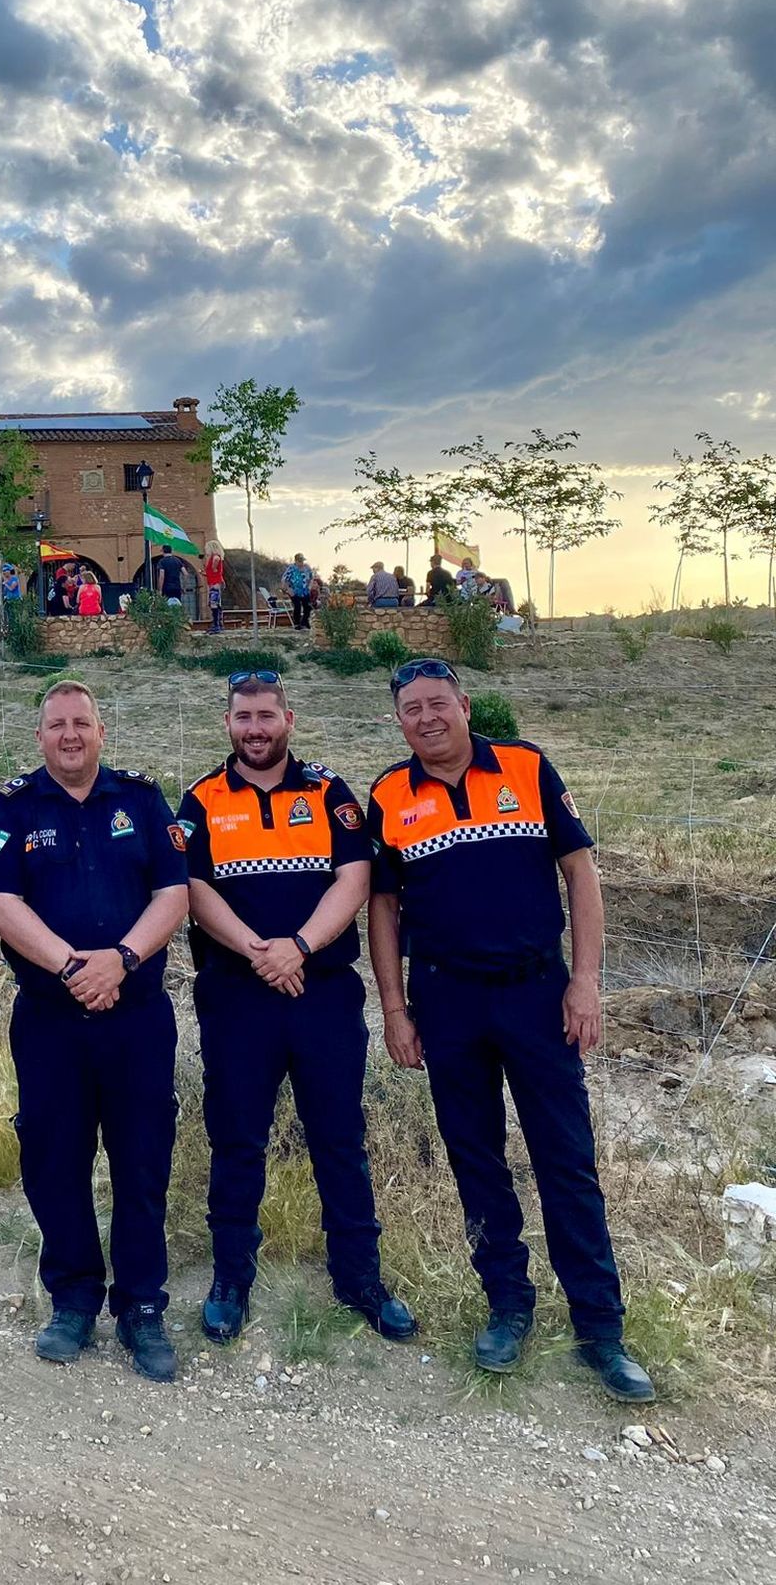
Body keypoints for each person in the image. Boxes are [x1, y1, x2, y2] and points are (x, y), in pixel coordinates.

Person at [366, 660, 655, 1403]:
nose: (426, 718)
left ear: (464, 704)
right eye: (410, 709)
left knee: (566, 1159)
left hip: (536, 994)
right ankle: (507, 1307)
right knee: (477, 1161)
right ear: (398, 721)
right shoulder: (390, 795)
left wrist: (586, 979)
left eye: (437, 703)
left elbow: (580, 874)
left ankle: (601, 1328)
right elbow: (385, 911)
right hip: (446, 1002)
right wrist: (395, 1007)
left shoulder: (526, 766)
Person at [179, 673, 417, 1345]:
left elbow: (356, 878)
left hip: (322, 992)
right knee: (237, 1140)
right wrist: (260, 951)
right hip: (236, 994)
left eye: (266, 715)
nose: (255, 727)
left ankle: (360, 1279)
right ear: (227, 724)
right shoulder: (200, 800)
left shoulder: (329, 792)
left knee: (340, 1138)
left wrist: (301, 947)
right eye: (243, 717)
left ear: (289, 717)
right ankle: (232, 1278)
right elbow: (192, 886)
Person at [0, 683, 189, 1382]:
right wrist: (72, 966)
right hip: (51, 1019)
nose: (69, 734)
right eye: (56, 724)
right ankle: (72, 1298)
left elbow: (174, 892)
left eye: (81, 723)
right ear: (39, 736)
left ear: (102, 731)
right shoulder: (12, 806)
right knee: (53, 1159)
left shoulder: (141, 799)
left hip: (136, 1015)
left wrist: (121, 959)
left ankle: (140, 1306)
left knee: (142, 1160)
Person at [281, 553, 314, 630]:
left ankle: (305, 622)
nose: (301, 563)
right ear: (295, 561)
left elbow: (311, 578)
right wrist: (289, 590)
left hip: (305, 591)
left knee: (308, 607)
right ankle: (297, 623)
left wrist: (309, 586)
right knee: (297, 606)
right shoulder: (291, 568)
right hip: (295, 591)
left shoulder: (307, 568)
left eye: (302, 561)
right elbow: (285, 579)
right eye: (299, 561)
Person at [153, 549, 188, 616]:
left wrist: (160, 589)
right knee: (177, 606)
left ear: (163, 551)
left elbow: (161, 576)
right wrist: (184, 587)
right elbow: (185, 573)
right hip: (177, 587)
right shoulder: (177, 560)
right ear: (171, 551)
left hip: (166, 588)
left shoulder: (162, 561)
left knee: (166, 608)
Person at [203, 540, 226, 635]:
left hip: (215, 583)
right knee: (214, 604)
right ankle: (218, 624)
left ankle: (217, 625)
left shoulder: (215, 557)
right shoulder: (213, 557)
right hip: (213, 582)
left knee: (214, 604)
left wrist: (213, 567)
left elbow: (216, 563)